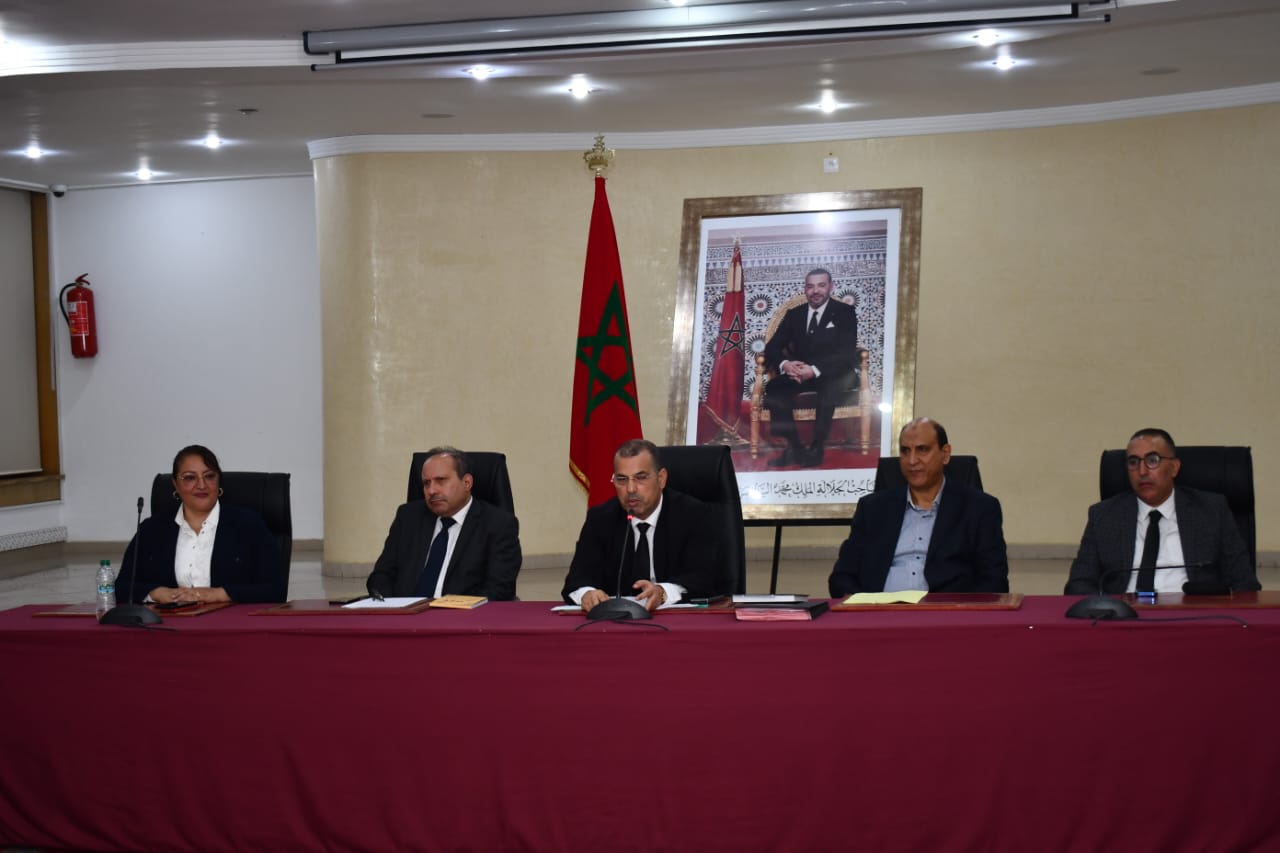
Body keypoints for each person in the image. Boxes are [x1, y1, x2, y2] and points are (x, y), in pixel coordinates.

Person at [1064, 428, 1259, 595]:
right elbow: (1078, 584)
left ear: (1174, 467)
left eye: (1152, 460)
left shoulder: (1211, 511)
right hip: (1125, 617)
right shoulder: (1104, 516)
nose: (1142, 471)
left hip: (1192, 615)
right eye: (1133, 462)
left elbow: (1245, 583)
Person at [828, 418, 1009, 596]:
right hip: (880, 610)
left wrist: (957, 610)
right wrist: (866, 604)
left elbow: (995, 581)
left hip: (946, 611)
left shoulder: (980, 508)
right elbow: (841, 577)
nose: (912, 460)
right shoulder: (872, 509)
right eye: (905, 451)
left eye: (922, 450)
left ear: (945, 454)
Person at [116, 445, 285, 604]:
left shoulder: (249, 524)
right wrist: (156, 593)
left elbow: (275, 589)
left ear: (219, 481)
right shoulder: (152, 529)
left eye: (209, 476)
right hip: (170, 621)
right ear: (175, 484)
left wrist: (217, 594)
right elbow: (121, 587)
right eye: (190, 477)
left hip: (230, 621)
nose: (202, 485)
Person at [562, 439, 716, 612]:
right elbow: (576, 581)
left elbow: (704, 578)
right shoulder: (600, 518)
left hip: (676, 620)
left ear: (661, 479)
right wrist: (587, 593)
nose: (630, 489)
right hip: (616, 622)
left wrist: (663, 592)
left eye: (641, 478)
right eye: (622, 479)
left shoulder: (694, 515)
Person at [367, 446, 522, 600]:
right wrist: (391, 606)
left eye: (440, 481)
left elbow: (498, 589)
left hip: (461, 614)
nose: (431, 490)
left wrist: (447, 611)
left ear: (467, 482)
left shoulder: (499, 525)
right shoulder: (408, 517)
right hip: (404, 611)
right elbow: (381, 576)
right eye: (426, 483)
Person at [762, 267, 859, 468]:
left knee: (829, 388)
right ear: (805, 289)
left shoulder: (845, 312)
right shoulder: (794, 314)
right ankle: (793, 448)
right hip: (801, 372)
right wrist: (786, 364)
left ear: (831, 287)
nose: (815, 291)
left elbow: (846, 352)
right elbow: (772, 347)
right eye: (810, 286)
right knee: (775, 387)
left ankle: (817, 447)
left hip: (834, 372)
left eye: (821, 285)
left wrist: (814, 370)